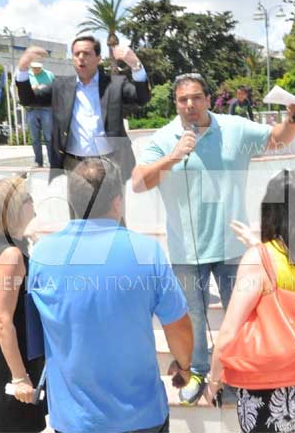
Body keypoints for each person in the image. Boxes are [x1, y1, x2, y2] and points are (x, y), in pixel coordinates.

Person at [131, 73, 295, 405]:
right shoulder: (164, 138)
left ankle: (238, 371)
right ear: (176, 104)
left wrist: (292, 121)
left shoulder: (233, 128)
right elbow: (139, 182)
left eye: (196, 97)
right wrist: (173, 156)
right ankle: (197, 371)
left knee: (240, 314)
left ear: (208, 99)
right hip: (186, 249)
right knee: (193, 318)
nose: (190, 105)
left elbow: (276, 139)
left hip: (233, 248)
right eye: (183, 99)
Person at [28, 158, 194, 433]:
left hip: (74, 421)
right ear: (117, 202)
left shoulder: (42, 255)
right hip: (141, 417)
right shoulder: (146, 252)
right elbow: (178, 326)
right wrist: (184, 368)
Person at [205, 169, 295, 433]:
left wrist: (214, 381)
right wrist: (257, 248)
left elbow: (228, 332)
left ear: (270, 212)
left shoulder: (259, 261)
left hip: (272, 392)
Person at [15, 36, 151, 180]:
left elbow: (142, 98)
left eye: (86, 53)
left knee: (116, 196)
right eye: (76, 54)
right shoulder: (60, 86)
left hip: (112, 165)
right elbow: (28, 99)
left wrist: (136, 65)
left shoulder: (115, 84)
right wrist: (23, 68)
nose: (81, 58)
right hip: (74, 167)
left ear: (98, 58)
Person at [0, 176, 46, 433]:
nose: (33, 201)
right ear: (13, 209)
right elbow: (2, 320)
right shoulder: (10, 255)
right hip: (13, 356)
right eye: (28, 198)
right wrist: (20, 376)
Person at [20, 61, 55, 167]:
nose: (36, 69)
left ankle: (52, 161)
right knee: (35, 138)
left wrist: (45, 88)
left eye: (38, 68)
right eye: (34, 68)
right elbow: (21, 91)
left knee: (49, 137)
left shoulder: (49, 75)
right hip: (31, 109)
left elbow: (56, 90)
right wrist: (31, 89)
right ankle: (38, 161)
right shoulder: (27, 76)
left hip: (46, 109)